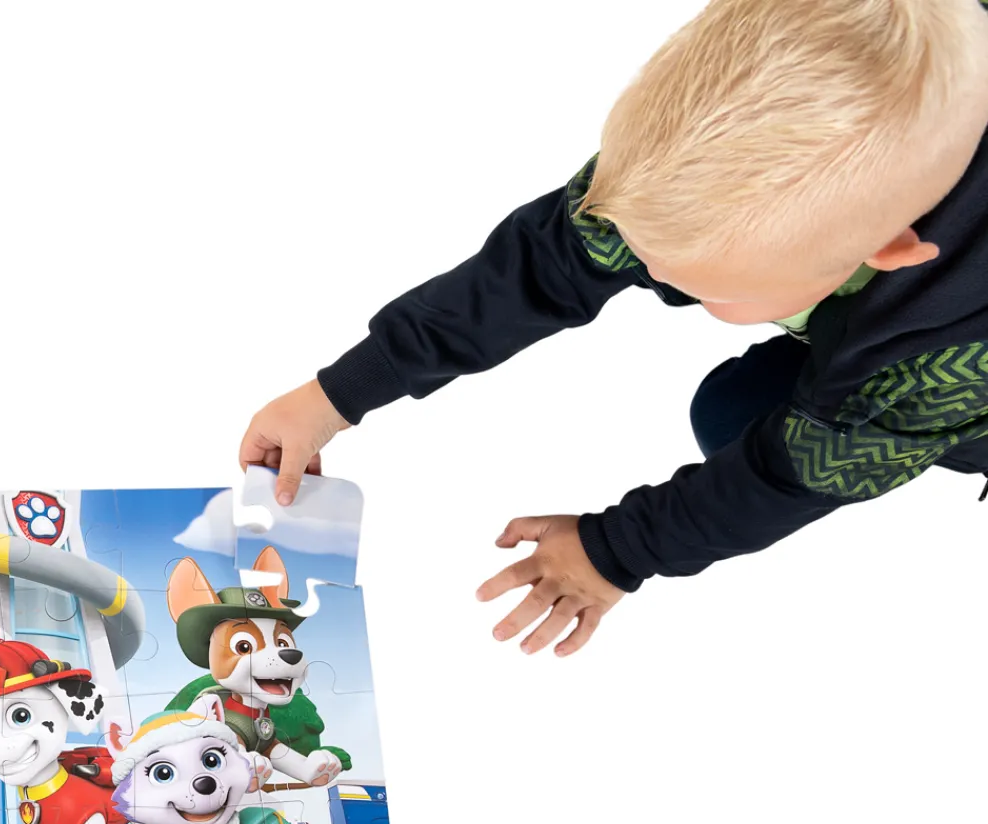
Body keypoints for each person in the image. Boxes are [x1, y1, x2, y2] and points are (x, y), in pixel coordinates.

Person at [239, 0, 988, 656]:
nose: (656, 279)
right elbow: (544, 265)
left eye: (712, 289)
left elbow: (788, 479)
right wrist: (339, 393)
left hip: (962, 375)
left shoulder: (933, 354)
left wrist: (615, 551)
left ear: (888, 249)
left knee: (759, 431)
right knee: (733, 411)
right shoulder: (714, 157)